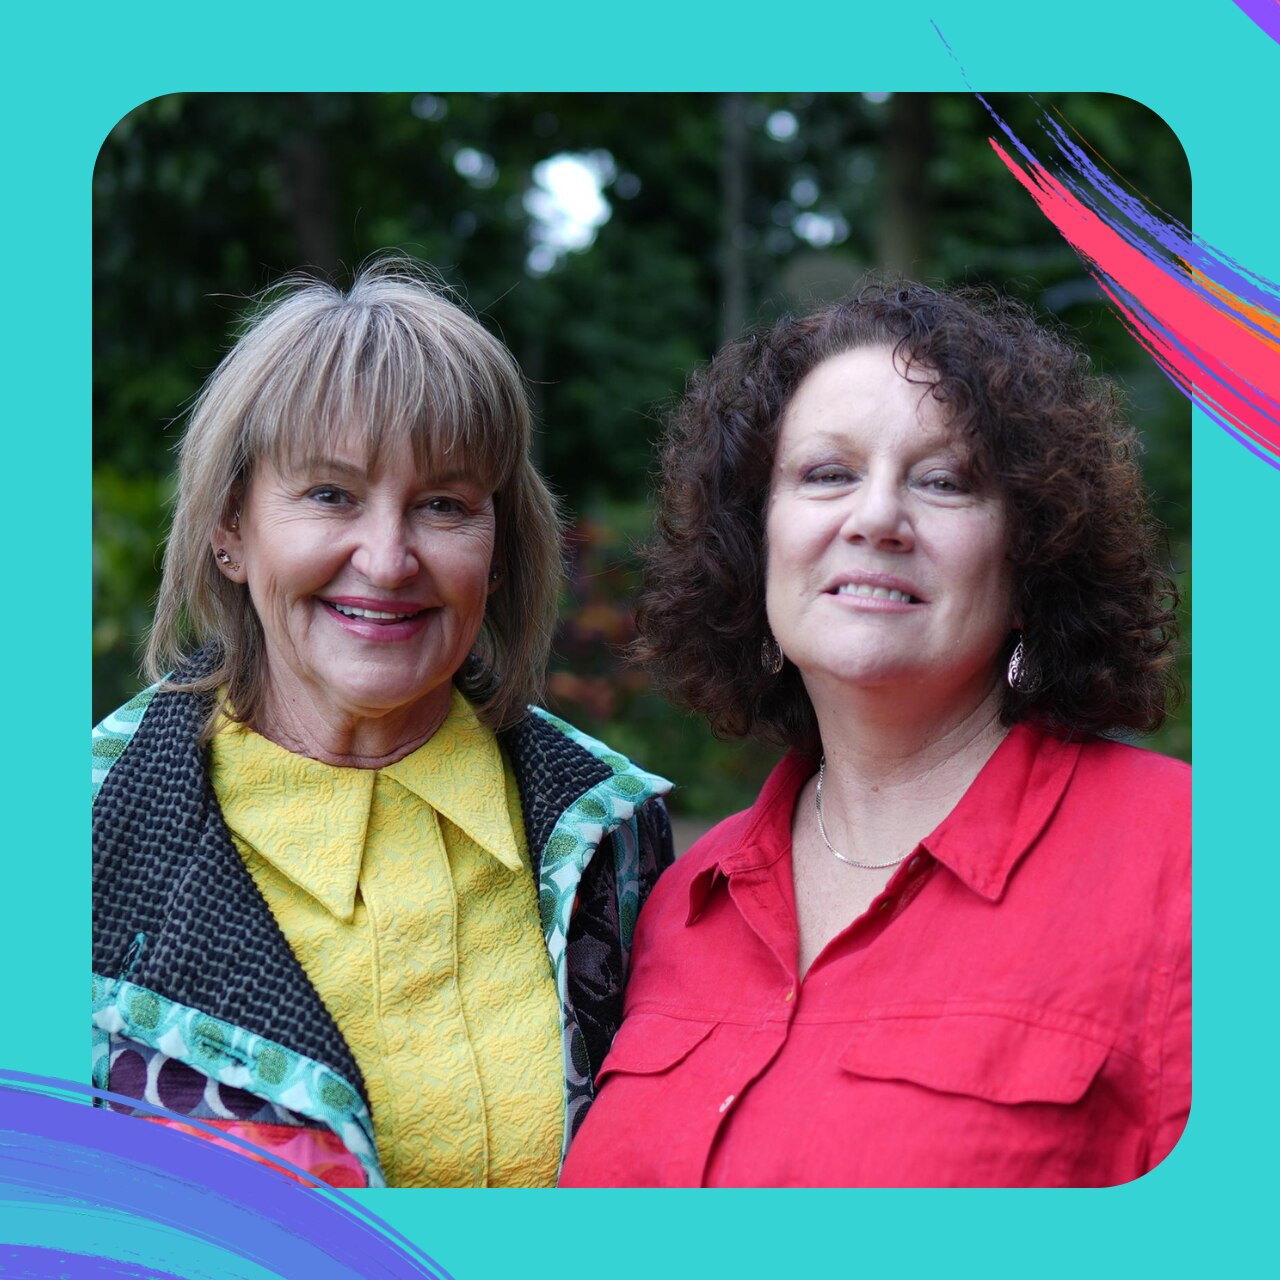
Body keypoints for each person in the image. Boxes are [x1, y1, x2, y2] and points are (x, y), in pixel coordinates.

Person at [559, 283, 1189, 1188]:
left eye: (943, 481)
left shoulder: (1191, 862)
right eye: (826, 474)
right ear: (756, 542)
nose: (876, 518)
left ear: (1029, 561)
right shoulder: (678, 899)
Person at [91, 260, 673, 1188]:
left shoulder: (612, 834)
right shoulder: (80, 833)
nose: (389, 558)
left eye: (444, 504)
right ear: (230, 527)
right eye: (330, 495)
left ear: (497, 544)